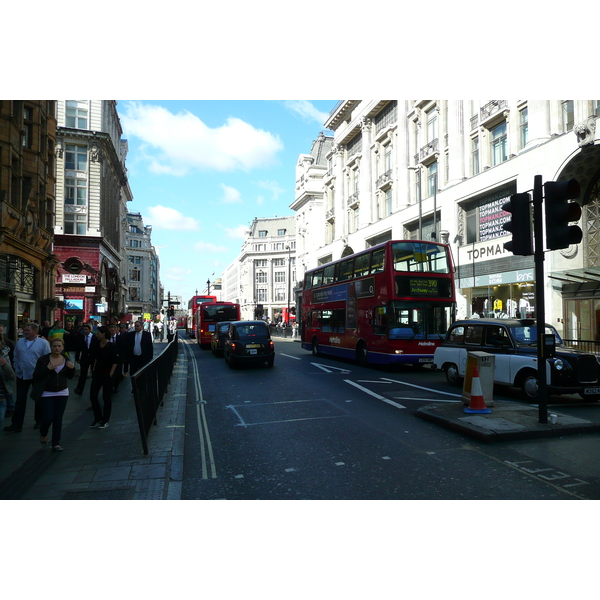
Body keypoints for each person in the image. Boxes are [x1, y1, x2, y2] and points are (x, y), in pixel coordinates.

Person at [4, 323, 51, 433]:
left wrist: (44, 371)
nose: (25, 332)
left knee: (38, 399)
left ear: (35, 331)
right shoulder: (20, 342)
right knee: (20, 400)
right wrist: (16, 367)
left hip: (37, 375)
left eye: (28, 330)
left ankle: (39, 421)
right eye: (24, 330)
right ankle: (16, 424)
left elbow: (47, 358)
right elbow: (15, 356)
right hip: (22, 374)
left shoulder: (43, 343)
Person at [33, 338, 75, 452]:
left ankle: (56, 443)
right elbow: (36, 376)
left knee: (58, 418)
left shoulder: (66, 359)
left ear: (62, 347)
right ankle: (43, 433)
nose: (57, 348)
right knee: (47, 417)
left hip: (62, 392)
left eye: (59, 346)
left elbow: (70, 376)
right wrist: (47, 369)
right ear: (50, 348)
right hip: (47, 392)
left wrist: (72, 368)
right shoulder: (43, 360)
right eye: (54, 346)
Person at [89, 325, 118, 429]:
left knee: (106, 397)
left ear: (104, 334)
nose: (97, 335)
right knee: (93, 396)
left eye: (99, 333)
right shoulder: (96, 344)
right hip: (97, 373)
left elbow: (115, 361)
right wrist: (93, 369)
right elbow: (94, 357)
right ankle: (98, 418)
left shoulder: (111, 346)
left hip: (107, 373)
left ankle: (105, 420)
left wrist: (111, 373)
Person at [124, 320, 153, 391]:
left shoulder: (147, 335)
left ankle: (141, 387)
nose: (136, 327)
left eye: (137, 326)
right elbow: (127, 347)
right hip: (133, 358)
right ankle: (134, 387)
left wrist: (150, 357)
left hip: (143, 358)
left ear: (142, 327)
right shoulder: (130, 335)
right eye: (135, 326)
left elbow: (150, 346)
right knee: (133, 373)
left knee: (142, 373)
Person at [74, 323, 98, 396]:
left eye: (86, 329)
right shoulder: (81, 338)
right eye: (83, 329)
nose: (84, 331)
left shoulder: (95, 337)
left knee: (94, 374)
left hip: (93, 357)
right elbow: (78, 348)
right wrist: (77, 357)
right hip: (84, 358)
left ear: (90, 330)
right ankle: (79, 389)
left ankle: (94, 390)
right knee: (83, 374)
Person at [0, 324, 16, 417]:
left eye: (1, 330)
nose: (0, 332)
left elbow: (13, 356)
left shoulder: (8, 342)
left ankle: (10, 407)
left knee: (8, 389)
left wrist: (11, 367)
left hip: (6, 368)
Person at [108, 323, 125, 394]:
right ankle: (110, 387)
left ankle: (116, 386)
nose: (111, 332)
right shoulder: (107, 338)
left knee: (117, 374)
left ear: (115, 331)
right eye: (110, 331)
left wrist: (122, 358)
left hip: (118, 359)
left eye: (112, 331)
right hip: (109, 360)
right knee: (110, 373)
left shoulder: (120, 338)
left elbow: (123, 348)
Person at [0, 349, 15, 430]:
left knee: (1, 420)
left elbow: (12, 376)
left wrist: (5, 365)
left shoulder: (2, 359)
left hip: (1, 398)